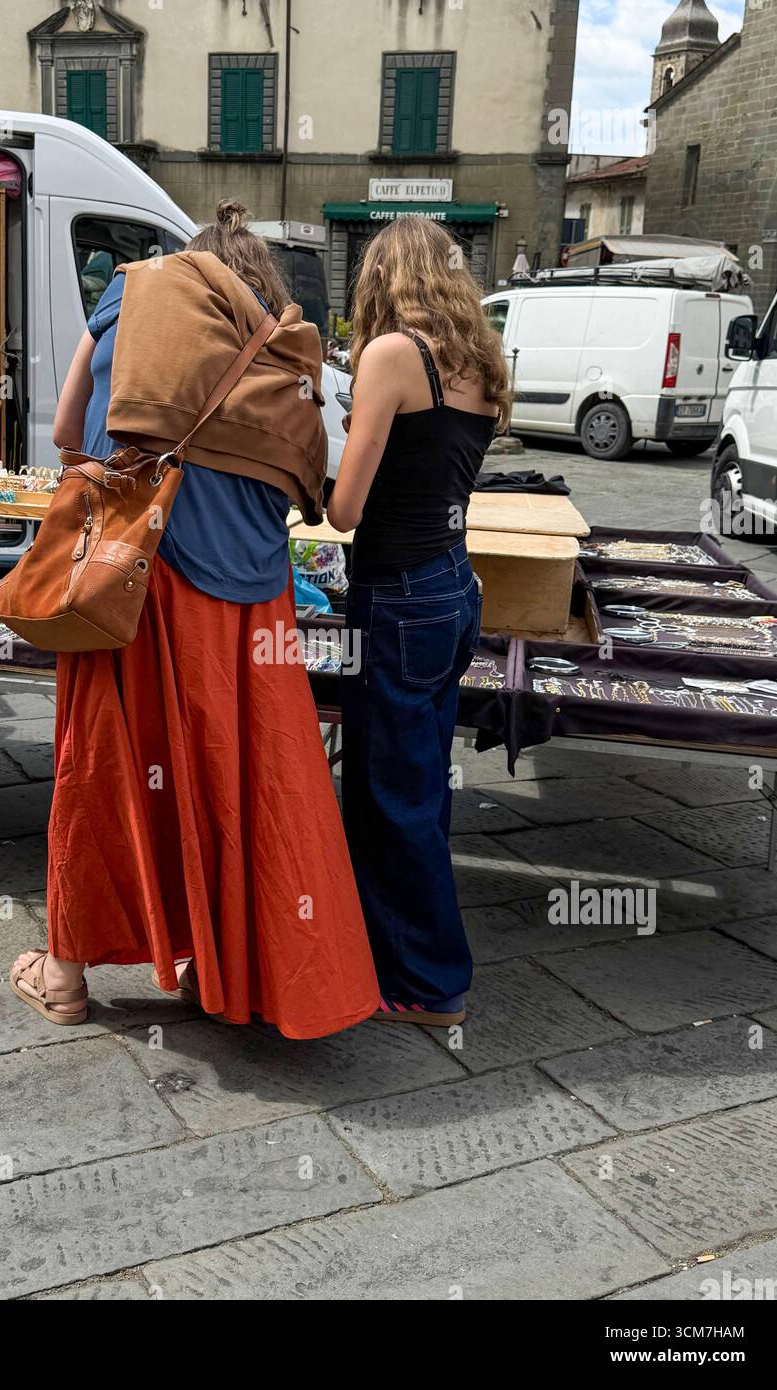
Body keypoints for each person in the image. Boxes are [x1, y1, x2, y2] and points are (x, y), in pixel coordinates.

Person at [10, 200, 379, 1039]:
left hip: (139, 585)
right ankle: (224, 972)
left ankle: (64, 975)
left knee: (106, 766)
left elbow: (69, 431)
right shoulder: (289, 355)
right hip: (254, 605)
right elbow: (308, 494)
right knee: (246, 784)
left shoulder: (133, 296)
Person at [326, 216, 511, 1027]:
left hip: (399, 590)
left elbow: (344, 510)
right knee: (420, 783)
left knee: (388, 791)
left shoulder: (393, 355)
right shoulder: (477, 358)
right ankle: (395, 950)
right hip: (451, 581)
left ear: (382, 277)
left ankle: (427, 985)